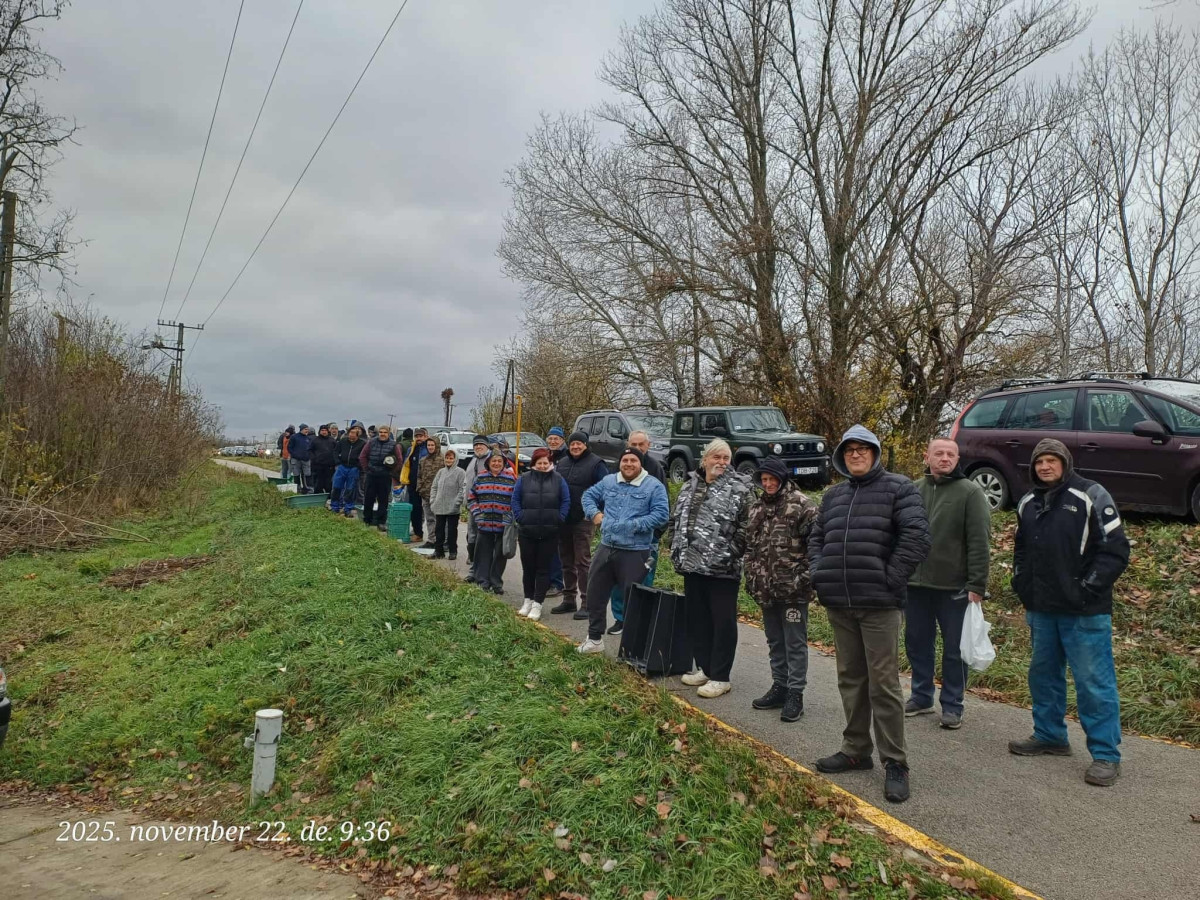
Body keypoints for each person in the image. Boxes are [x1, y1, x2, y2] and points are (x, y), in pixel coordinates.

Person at [808, 425, 930, 804]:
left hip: (879, 604)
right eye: (849, 450)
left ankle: (895, 762)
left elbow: (916, 537)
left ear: (875, 453)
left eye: (863, 449)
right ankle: (856, 749)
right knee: (850, 679)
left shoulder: (899, 488)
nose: (856, 455)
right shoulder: (834, 496)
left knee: (884, 684)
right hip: (840, 602)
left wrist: (889, 579)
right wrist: (819, 572)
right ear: (841, 457)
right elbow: (816, 538)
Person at [1008, 439, 1130, 788]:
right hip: (1042, 609)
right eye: (1039, 462)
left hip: (1085, 611)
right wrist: (1021, 583)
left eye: (1052, 460)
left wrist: (1086, 589)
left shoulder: (1091, 494)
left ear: (1065, 462)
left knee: (1093, 683)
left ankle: (1106, 754)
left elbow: (1115, 550)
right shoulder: (1028, 502)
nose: (1045, 466)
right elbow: (1021, 549)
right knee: (1043, 676)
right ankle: (1050, 735)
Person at [905, 437, 992, 730]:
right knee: (917, 643)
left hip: (955, 588)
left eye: (951, 454)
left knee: (955, 649)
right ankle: (921, 696)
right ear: (927, 457)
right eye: (939, 453)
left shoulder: (970, 492)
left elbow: (979, 541)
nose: (945, 458)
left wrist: (977, 584)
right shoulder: (913, 490)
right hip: (915, 586)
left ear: (957, 459)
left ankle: (953, 705)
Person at [670, 439, 753, 698]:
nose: (721, 462)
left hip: (723, 569)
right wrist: (674, 544)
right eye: (716, 457)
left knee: (722, 622)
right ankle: (705, 668)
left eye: (726, 458)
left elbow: (748, 525)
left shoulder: (740, 488)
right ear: (704, 460)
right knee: (697, 619)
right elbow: (676, 518)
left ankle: (720, 676)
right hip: (691, 565)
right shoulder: (689, 485)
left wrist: (731, 551)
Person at [744, 457, 818, 722]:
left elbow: (818, 547)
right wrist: (750, 575)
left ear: (782, 478)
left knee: (794, 643)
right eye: (764, 480)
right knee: (775, 640)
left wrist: (804, 578)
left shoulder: (803, 505)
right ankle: (780, 686)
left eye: (772, 479)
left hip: (794, 591)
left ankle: (795, 693)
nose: (768, 484)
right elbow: (750, 546)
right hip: (766, 589)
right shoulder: (756, 507)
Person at [576, 447, 670, 654]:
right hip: (606, 547)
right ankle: (594, 639)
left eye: (633, 460)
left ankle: (633, 648)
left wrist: (633, 525)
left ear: (640, 463)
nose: (628, 464)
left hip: (636, 551)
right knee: (595, 594)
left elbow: (662, 515)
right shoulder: (609, 481)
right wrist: (595, 514)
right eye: (625, 460)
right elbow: (588, 496)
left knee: (633, 600)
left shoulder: (653, 486)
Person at [609, 430, 668, 633]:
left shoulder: (655, 468)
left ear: (648, 446)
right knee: (618, 579)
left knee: (644, 579)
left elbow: (663, 506)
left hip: (647, 538)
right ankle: (620, 618)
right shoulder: (619, 466)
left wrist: (656, 533)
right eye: (633, 444)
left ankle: (641, 620)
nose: (637, 447)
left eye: (641, 444)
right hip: (619, 537)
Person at [550, 431, 609, 617]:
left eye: (579, 443)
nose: (575, 446)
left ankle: (587, 602)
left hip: (584, 519)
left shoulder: (596, 464)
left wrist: (597, 513)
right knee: (566, 561)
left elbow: (605, 490)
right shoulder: (562, 463)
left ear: (585, 445)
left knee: (582, 562)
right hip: (564, 519)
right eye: (573, 443)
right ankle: (569, 599)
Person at [512, 447, 570, 621]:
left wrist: (559, 518)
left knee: (543, 570)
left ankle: (538, 604)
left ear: (550, 463)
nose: (543, 466)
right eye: (540, 463)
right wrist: (520, 517)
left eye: (546, 463)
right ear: (534, 464)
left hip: (549, 532)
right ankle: (528, 601)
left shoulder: (558, 479)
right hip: (527, 531)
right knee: (528, 569)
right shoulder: (524, 479)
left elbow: (566, 500)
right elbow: (515, 500)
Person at [467, 451, 516, 594]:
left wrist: (510, 517)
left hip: (503, 525)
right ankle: (483, 582)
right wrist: (478, 514)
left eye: (499, 461)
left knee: (500, 556)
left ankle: (496, 583)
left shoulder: (511, 478)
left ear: (504, 463)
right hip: (484, 523)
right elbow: (471, 498)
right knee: (482, 554)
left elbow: (516, 500)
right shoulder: (481, 477)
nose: (496, 463)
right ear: (488, 463)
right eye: (494, 461)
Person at [461, 434, 492, 583]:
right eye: (476, 445)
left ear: (487, 446)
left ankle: (485, 571)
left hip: (487, 507)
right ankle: (473, 567)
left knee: (484, 538)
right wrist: (465, 500)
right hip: (472, 505)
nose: (478, 447)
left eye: (481, 444)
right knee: (472, 536)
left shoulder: (493, 460)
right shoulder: (472, 460)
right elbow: (467, 483)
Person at [359, 424, 399, 531]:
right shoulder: (371, 442)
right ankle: (367, 520)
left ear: (388, 433)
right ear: (378, 433)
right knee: (368, 499)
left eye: (385, 432)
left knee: (383, 500)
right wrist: (367, 469)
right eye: (381, 432)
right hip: (371, 475)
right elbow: (362, 456)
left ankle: (381, 522)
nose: (383, 434)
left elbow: (399, 460)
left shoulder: (393, 445)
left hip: (385, 476)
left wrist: (391, 472)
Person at [430, 448, 467, 560]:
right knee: (439, 530)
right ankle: (438, 551)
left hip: (453, 507)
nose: (448, 460)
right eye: (446, 458)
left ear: (455, 459)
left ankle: (452, 551)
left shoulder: (460, 472)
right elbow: (434, 487)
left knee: (451, 531)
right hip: (439, 506)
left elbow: (462, 488)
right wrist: (433, 500)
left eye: (451, 458)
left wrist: (457, 502)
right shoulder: (441, 472)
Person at [544, 426, 568, 598]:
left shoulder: (565, 458)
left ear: (562, 441)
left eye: (556, 439)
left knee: (556, 549)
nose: (553, 441)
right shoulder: (546, 455)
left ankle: (557, 583)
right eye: (550, 438)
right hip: (543, 508)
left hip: (558, 509)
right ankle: (546, 581)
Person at [331, 422, 366, 516]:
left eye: (353, 433)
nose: (351, 435)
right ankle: (335, 507)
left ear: (357, 435)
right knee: (336, 487)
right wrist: (337, 462)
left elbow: (364, 456)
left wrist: (358, 465)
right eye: (350, 433)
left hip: (354, 468)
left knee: (350, 489)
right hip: (342, 466)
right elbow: (335, 452)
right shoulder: (343, 441)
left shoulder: (362, 444)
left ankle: (348, 508)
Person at [404, 428, 430, 544]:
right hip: (412, 484)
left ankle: (433, 537)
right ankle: (418, 533)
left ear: (425, 436)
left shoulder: (428, 448)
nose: (419, 438)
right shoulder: (411, 449)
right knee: (415, 510)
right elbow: (406, 465)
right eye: (417, 436)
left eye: (421, 436)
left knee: (429, 511)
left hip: (425, 485)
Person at [416, 434, 442, 548]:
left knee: (439, 520)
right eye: (428, 445)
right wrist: (420, 488)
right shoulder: (423, 460)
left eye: (432, 445)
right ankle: (431, 540)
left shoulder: (443, 460)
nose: (430, 447)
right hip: (425, 494)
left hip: (438, 496)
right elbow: (419, 476)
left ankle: (440, 541)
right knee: (430, 519)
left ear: (437, 446)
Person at [310, 424, 337, 496]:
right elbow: (310, 451)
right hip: (318, 465)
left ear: (328, 431)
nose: (324, 432)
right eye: (322, 430)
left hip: (329, 466)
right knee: (318, 482)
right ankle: (318, 497)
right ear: (319, 431)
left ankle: (329, 496)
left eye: (325, 430)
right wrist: (314, 459)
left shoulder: (332, 440)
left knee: (329, 483)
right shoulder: (315, 440)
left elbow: (336, 451)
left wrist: (335, 461)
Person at [288, 424, 313, 493]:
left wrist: (309, 456)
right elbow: (289, 448)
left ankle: (308, 488)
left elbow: (311, 448)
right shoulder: (294, 437)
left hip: (306, 459)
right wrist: (295, 455)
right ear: (301, 429)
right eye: (305, 429)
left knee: (307, 474)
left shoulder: (308, 438)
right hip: (296, 459)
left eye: (307, 429)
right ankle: (297, 488)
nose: (307, 431)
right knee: (296, 474)